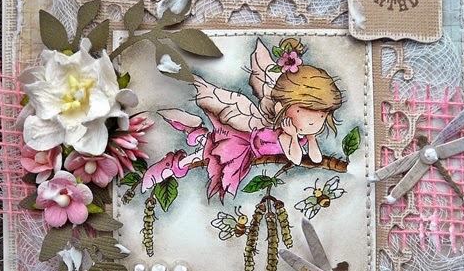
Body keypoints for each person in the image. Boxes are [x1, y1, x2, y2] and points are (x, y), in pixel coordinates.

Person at [142, 39, 345, 201]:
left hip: (249, 143)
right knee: (201, 155)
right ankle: (177, 157)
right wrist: (292, 135)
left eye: (322, 116)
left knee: (205, 149)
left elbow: (316, 159)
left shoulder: (301, 133)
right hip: (239, 143)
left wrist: (311, 138)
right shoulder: (285, 135)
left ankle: (196, 132)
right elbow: (296, 158)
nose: (314, 123)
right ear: (280, 108)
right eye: (305, 113)